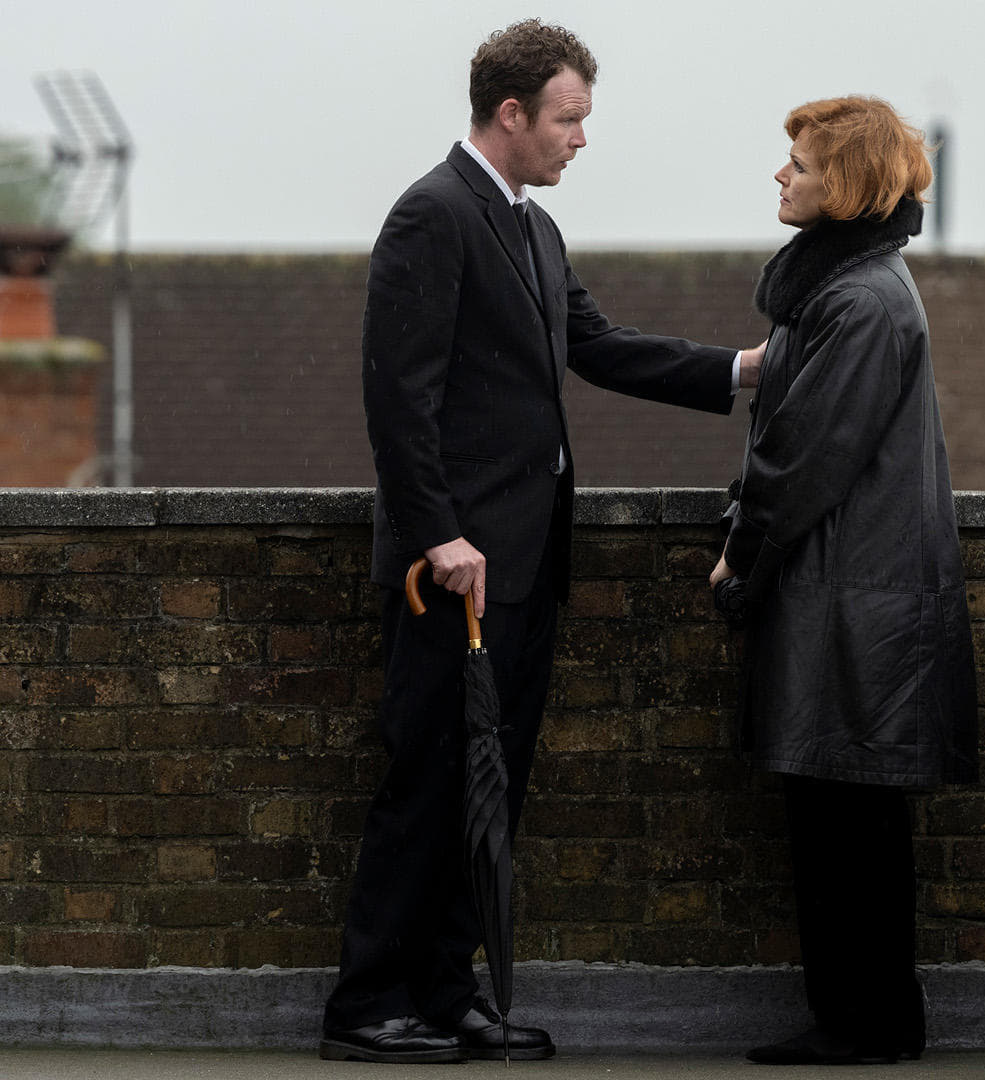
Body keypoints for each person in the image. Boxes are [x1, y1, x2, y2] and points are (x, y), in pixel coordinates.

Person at [323, 18, 765, 1065]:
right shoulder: (432, 214)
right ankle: (366, 1006)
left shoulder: (533, 227)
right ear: (511, 112)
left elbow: (598, 346)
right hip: (451, 573)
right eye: (569, 119)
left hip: (523, 565)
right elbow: (398, 397)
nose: (582, 139)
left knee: (493, 786)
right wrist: (439, 535)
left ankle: (447, 993)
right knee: (428, 781)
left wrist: (741, 371)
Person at [710, 95, 979, 1066]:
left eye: (802, 164)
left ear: (848, 184)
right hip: (846, 592)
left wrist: (740, 553)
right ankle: (863, 1019)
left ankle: (867, 1023)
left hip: (855, 601)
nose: (782, 175)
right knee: (841, 816)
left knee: (850, 819)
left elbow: (803, 456)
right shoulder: (839, 288)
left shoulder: (859, 301)